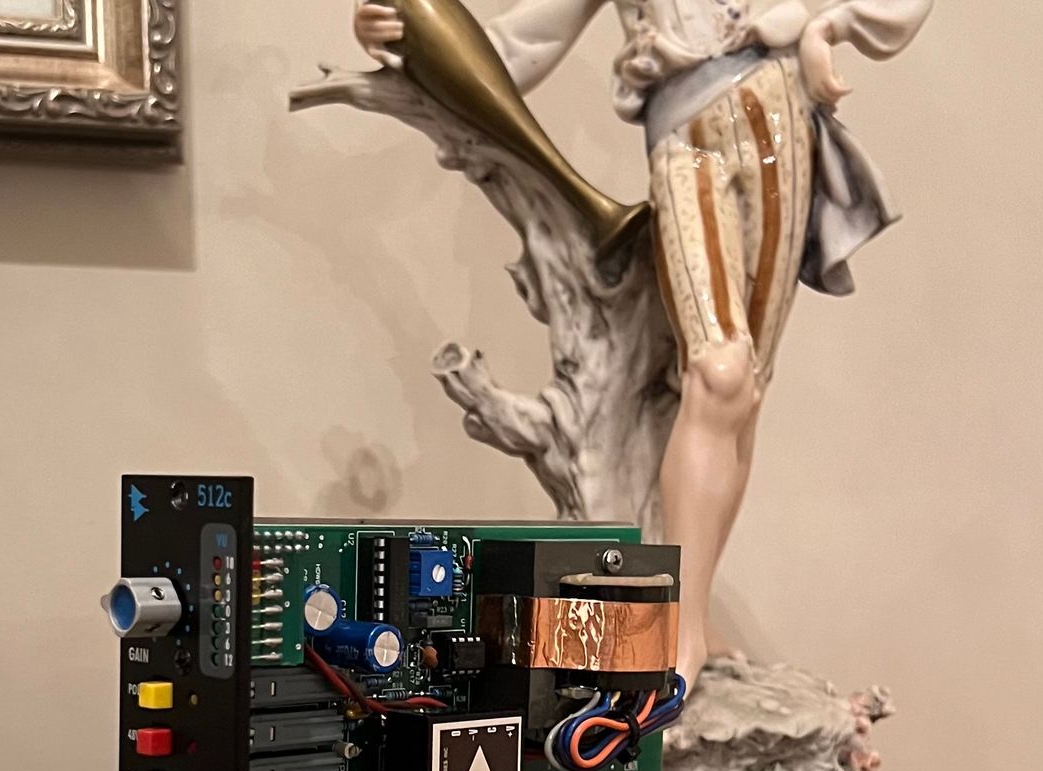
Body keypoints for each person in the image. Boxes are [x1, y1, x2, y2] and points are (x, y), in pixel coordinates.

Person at [353, 0, 933, 689]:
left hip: (782, 123)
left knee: (744, 391)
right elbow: (518, 45)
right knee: (718, 373)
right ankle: (677, 631)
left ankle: (691, 614)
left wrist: (827, 25)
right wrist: (405, 40)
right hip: (684, 134)